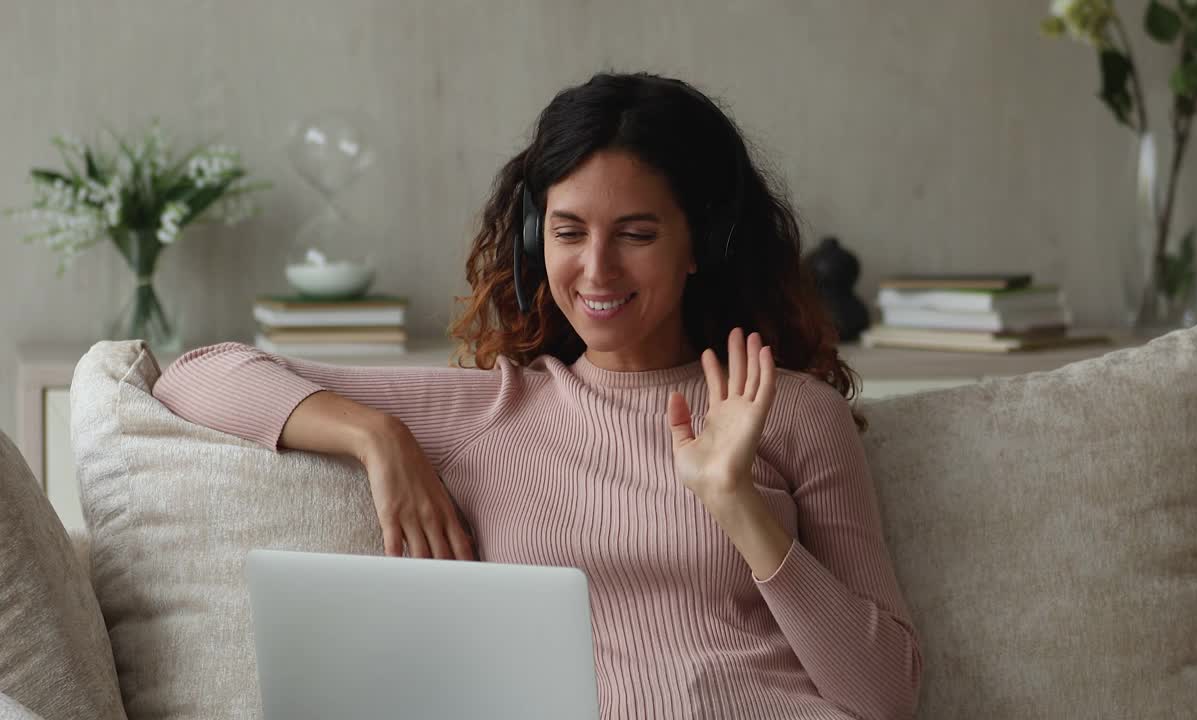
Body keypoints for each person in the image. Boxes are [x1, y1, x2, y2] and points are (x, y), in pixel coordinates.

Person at [153, 71, 921, 720]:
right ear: (534, 240)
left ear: (703, 243)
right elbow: (197, 374)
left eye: (637, 233)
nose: (596, 270)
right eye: (568, 231)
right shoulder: (495, 412)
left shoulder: (791, 413)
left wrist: (737, 506)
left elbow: (885, 693)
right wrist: (375, 436)